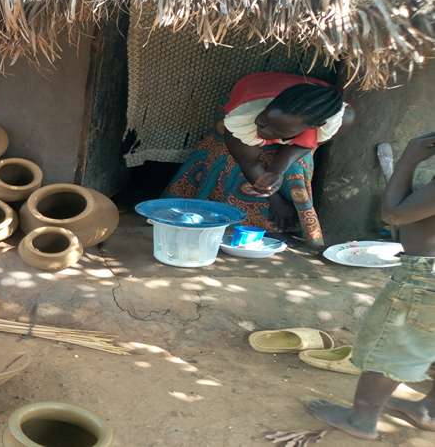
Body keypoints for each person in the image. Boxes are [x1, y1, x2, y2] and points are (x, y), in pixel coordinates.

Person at [306, 132, 435, 440]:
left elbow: (393, 214)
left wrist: (408, 160)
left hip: (425, 278)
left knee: (391, 345)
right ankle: (428, 411)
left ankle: (361, 420)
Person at [163, 72, 353, 249]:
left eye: (274, 128)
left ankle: (289, 227)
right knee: (229, 161)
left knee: (296, 167)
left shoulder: (337, 119)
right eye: (264, 120)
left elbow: (306, 144)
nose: (263, 127)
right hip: (243, 126)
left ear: (314, 125)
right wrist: (275, 200)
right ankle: (251, 225)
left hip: (301, 117)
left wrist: (278, 170)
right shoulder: (244, 117)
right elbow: (249, 163)